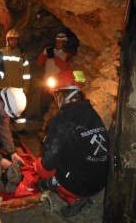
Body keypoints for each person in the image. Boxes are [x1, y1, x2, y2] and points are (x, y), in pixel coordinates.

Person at [34, 70, 109, 217]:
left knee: (40, 165)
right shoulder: (92, 113)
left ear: (62, 95)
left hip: (80, 186)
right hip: (100, 182)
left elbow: (48, 163)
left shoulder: (62, 119)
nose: (57, 100)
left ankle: (73, 197)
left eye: (57, 95)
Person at [36, 33, 73, 141]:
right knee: (44, 104)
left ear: (64, 43)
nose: (58, 43)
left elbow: (66, 67)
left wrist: (54, 58)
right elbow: (39, 63)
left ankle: (54, 128)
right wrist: (44, 54)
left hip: (59, 85)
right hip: (47, 82)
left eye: (61, 42)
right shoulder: (49, 51)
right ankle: (43, 126)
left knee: (56, 106)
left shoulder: (67, 54)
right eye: (57, 41)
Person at [0, 29, 31, 135]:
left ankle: (20, 128)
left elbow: (26, 73)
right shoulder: (1, 52)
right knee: (4, 108)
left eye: (15, 40)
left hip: (18, 88)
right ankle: (5, 129)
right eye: (11, 40)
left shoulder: (22, 55)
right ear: (7, 40)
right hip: (5, 87)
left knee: (19, 109)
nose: (13, 42)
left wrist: (26, 87)